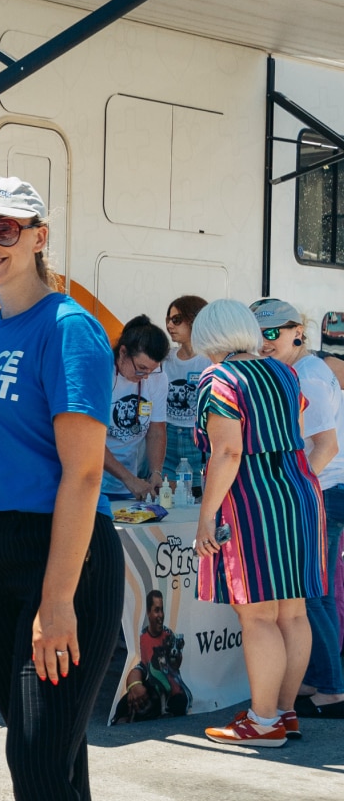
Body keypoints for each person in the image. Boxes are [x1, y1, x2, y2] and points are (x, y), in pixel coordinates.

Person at [0, 178, 122, 800]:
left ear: (38, 237)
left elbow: (85, 472)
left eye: (3, 229)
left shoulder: (69, 329)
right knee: (49, 754)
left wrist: (58, 599)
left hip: (62, 553)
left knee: (37, 760)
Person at [191, 298, 326, 746]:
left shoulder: (220, 377)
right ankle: (284, 713)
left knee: (259, 617)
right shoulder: (286, 372)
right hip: (299, 494)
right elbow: (295, 431)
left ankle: (262, 721)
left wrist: (206, 516)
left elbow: (228, 452)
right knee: (293, 612)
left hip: (252, 501)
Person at [247, 298, 344, 720]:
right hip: (317, 491)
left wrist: (296, 492)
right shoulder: (295, 370)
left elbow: (326, 446)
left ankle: (332, 688)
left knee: (313, 596)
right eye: (257, 335)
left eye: (271, 334)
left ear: (296, 332)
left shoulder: (310, 376)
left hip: (323, 492)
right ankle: (317, 678)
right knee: (308, 596)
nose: (263, 343)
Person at [102, 316, 170, 503]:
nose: (146, 377)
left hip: (128, 487)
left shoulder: (158, 377)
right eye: (141, 368)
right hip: (90, 484)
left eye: (151, 370)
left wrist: (155, 472)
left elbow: (156, 430)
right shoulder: (99, 372)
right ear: (123, 353)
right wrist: (129, 479)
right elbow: (88, 439)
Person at [115, 590, 190, 722]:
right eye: (156, 610)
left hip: (170, 689)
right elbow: (141, 665)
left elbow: (176, 664)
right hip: (150, 688)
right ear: (148, 613)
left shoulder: (168, 635)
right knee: (125, 704)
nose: (160, 615)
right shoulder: (143, 637)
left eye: (161, 610)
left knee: (180, 701)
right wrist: (135, 685)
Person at [162, 296, 210, 497]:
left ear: (195, 320)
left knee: (197, 493)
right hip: (167, 434)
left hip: (198, 437)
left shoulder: (209, 359)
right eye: (169, 319)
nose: (169, 325)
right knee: (165, 490)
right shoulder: (166, 357)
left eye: (177, 320)